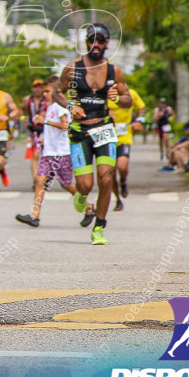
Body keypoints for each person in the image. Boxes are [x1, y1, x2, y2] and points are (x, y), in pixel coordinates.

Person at [54, 23, 131, 245]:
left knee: (106, 178)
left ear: (107, 43)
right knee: (86, 185)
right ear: (86, 42)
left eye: (100, 40)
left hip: (104, 129)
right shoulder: (73, 68)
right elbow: (57, 92)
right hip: (80, 131)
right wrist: (70, 106)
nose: (95, 44)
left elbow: (128, 101)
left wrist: (117, 98)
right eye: (91, 40)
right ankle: (81, 195)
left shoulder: (114, 70)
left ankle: (99, 226)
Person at [15, 77, 76, 227]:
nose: (44, 94)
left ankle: (89, 207)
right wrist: (44, 140)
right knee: (39, 181)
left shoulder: (60, 107)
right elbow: (52, 130)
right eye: (44, 92)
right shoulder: (50, 108)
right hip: (48, 153)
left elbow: (65, 126)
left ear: (57, 91)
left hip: (61, 154)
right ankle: (34, 215)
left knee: (67, 185)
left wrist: (45, 122)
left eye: (47, 91)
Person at [107, 85, 145, 211]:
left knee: (122, 166)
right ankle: (118, 199)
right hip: (107, 137)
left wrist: (139, 120)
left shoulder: (130, 93)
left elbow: (142, 107)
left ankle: (123, 181)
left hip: (124, 135)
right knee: (110, 172)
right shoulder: (103, 93)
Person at [21, 78, 48, 180]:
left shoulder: (47, 99)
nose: (38, 89)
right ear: (32, 88)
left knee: (46, 155)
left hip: (45, 129)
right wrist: (23, 119)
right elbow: (21, 111)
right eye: (36, 87)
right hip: (34, 130)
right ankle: (36, 180)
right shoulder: (27, 99)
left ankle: (44, 178)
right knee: (35, 155)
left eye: (40, 87)